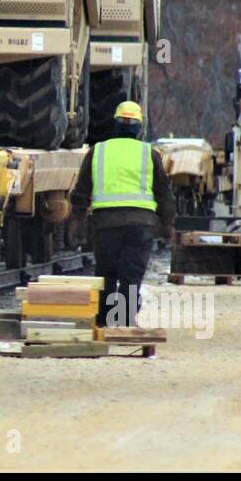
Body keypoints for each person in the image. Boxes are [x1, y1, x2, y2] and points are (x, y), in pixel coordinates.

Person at [73, 101, 175, 327]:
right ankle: (125, 320)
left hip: (106, 224)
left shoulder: (98, 151)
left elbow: (80, 192)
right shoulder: (149, 153)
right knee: (131, 274)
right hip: (141, 225)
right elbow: (163, 193)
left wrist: (77, 223)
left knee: (106, 274)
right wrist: (167, 224)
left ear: (116, 124)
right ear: (139, 127)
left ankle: (105, 320)